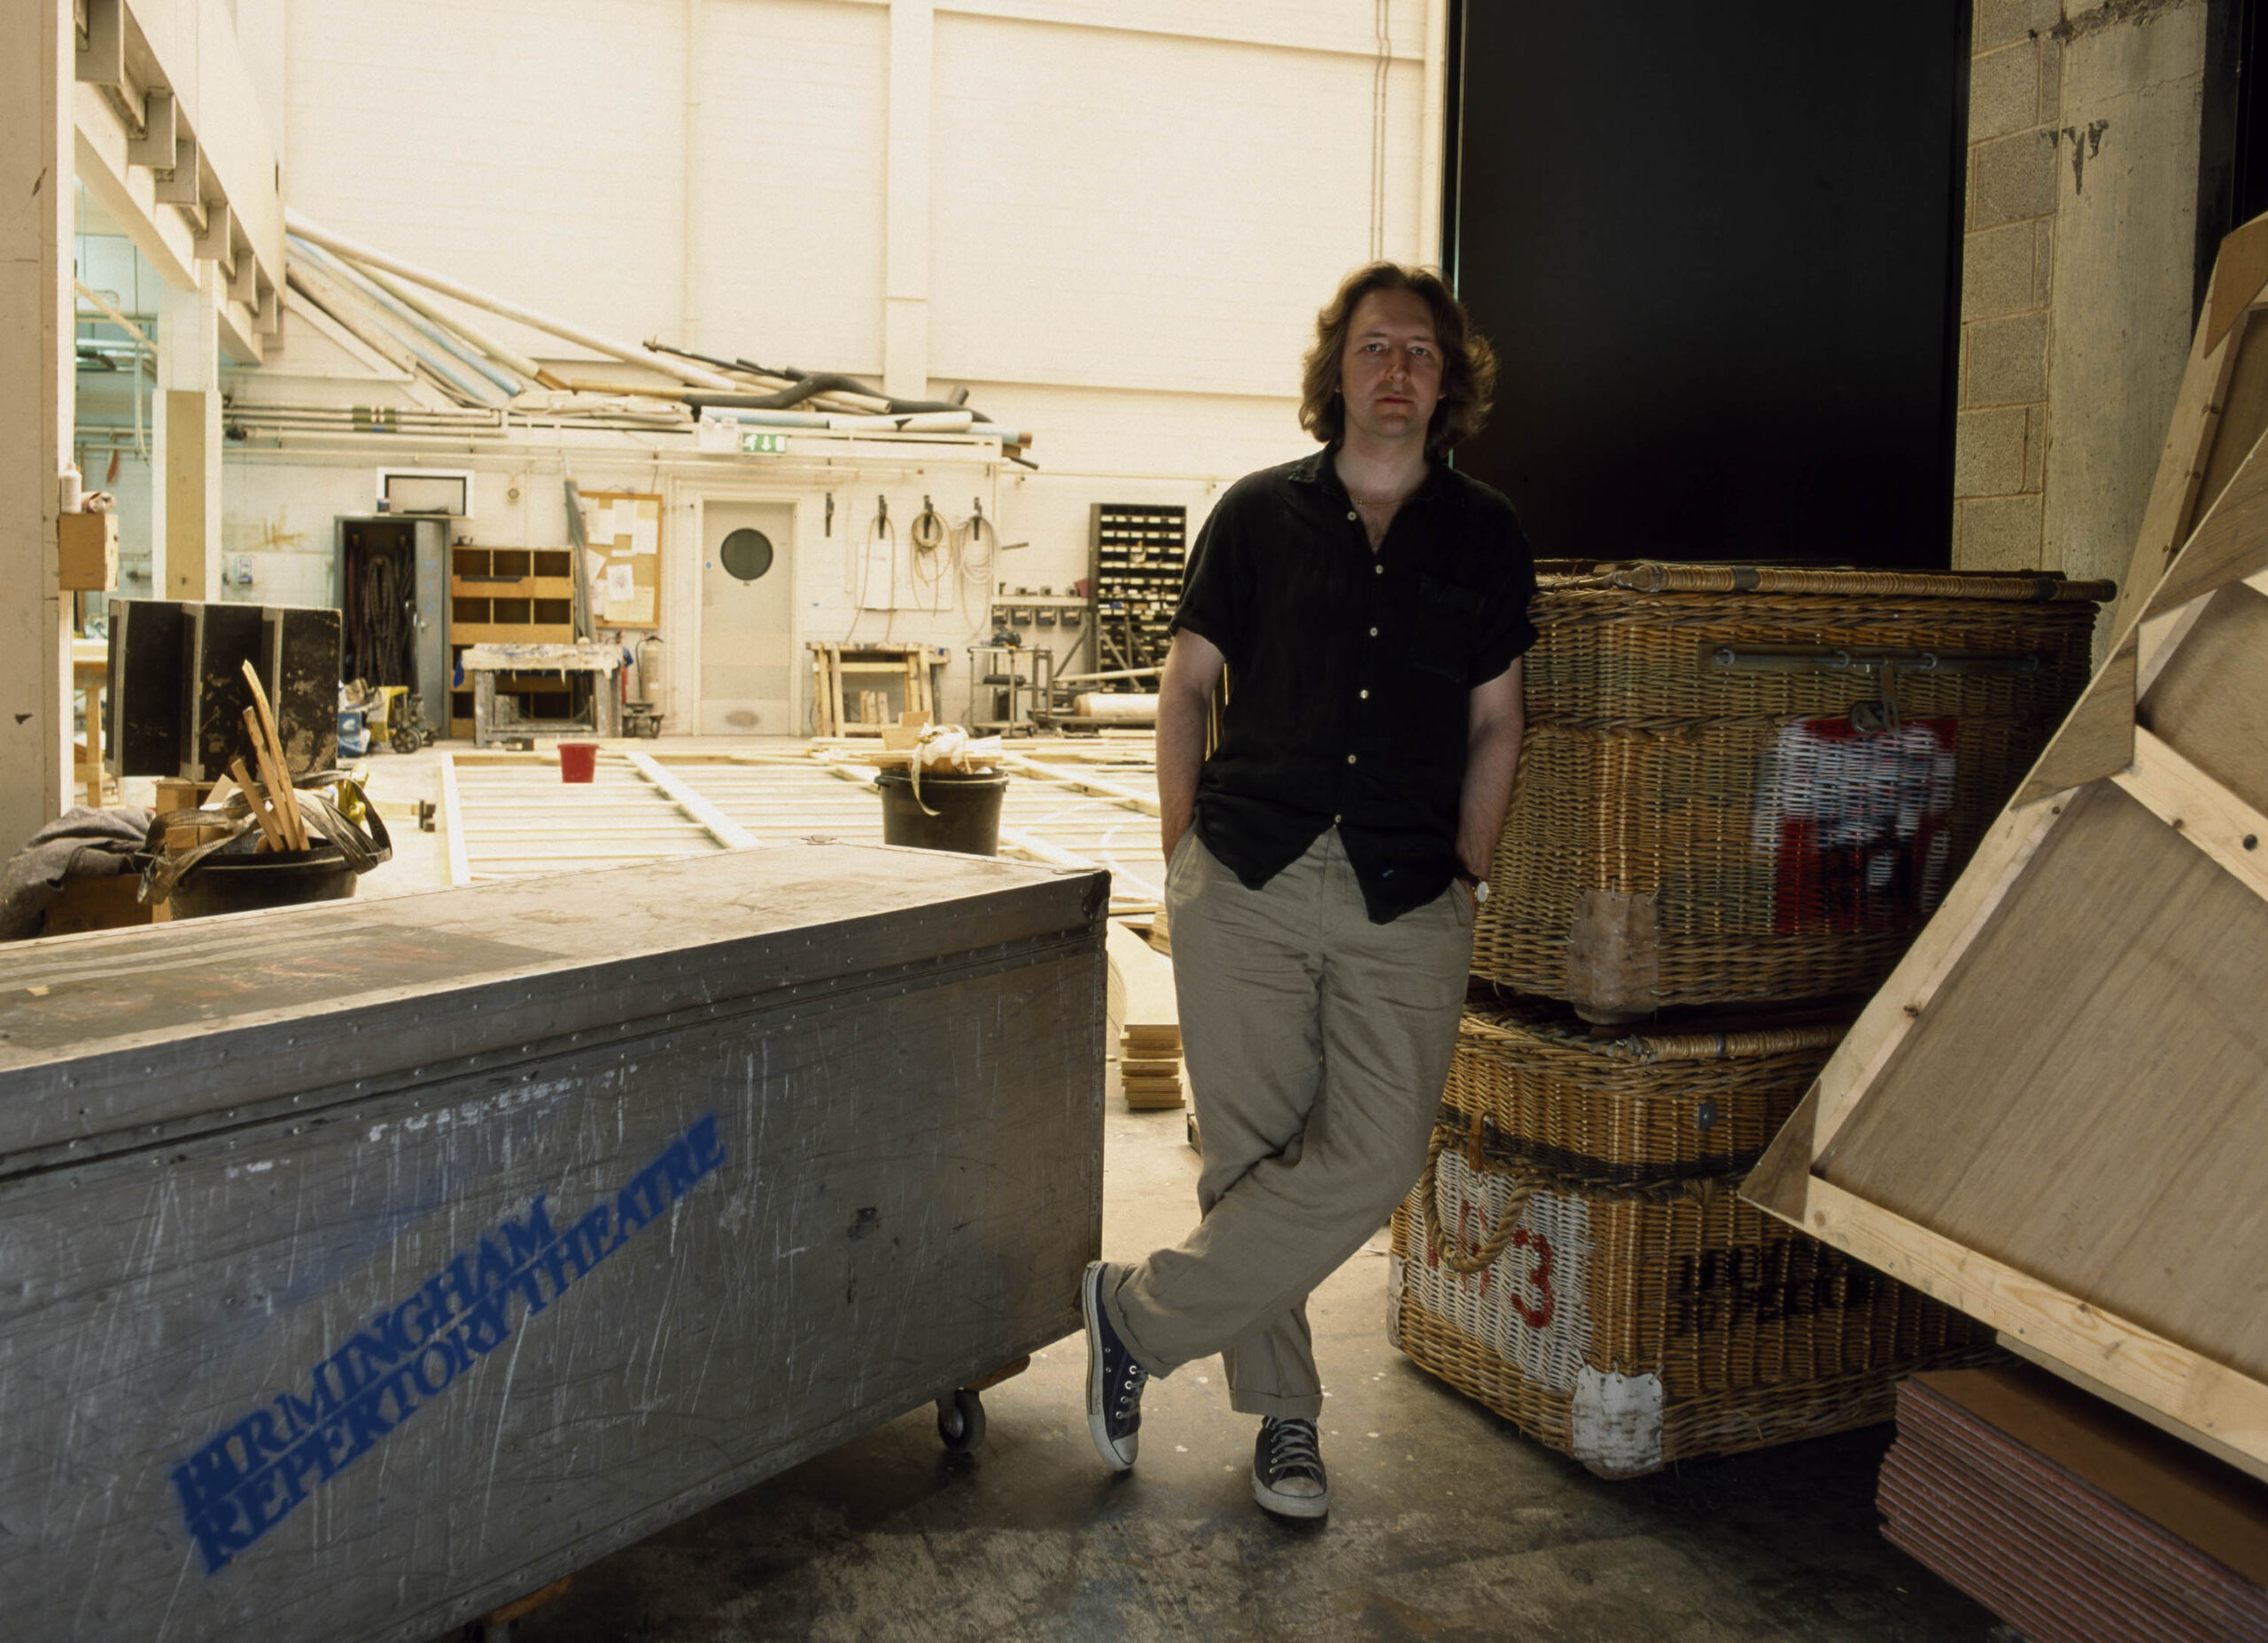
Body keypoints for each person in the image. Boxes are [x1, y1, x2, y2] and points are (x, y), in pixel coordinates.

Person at [1080, 262, 1537, 1519]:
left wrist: (1470, 875)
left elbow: (1499, 722)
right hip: (1251, 873)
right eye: (1376, 347)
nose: (1397, 369)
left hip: (1409, 890)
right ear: (1337, 370)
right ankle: (1287, 1418)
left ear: (1448, 386)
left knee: (1376, 1153)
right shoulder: (1253, 516)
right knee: (1251, 1153)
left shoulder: (1483, 533)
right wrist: (1185, 857)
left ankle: (1132, 1313)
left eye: (1422, 354)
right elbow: (1184, 689)